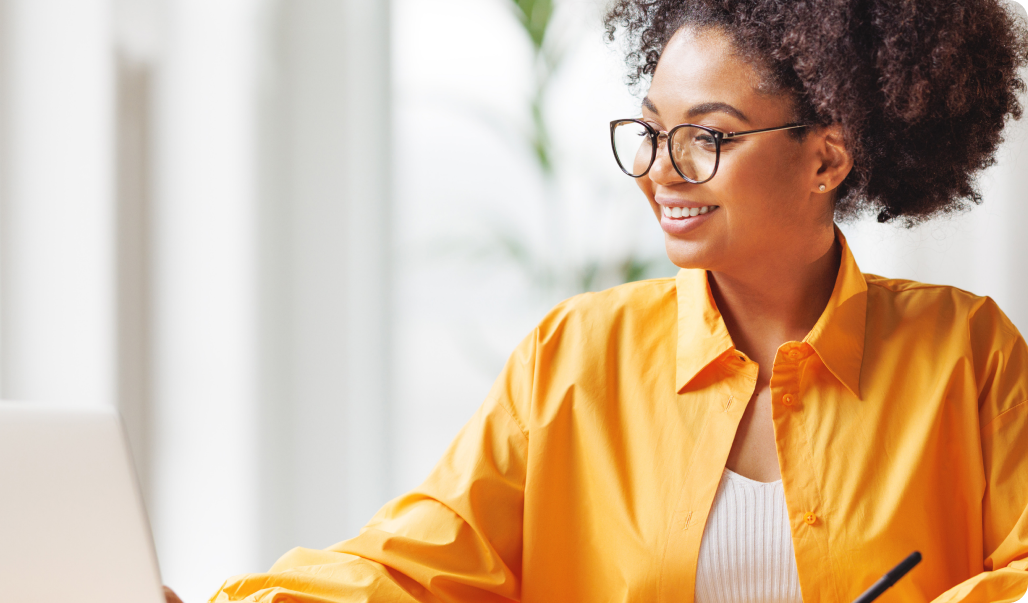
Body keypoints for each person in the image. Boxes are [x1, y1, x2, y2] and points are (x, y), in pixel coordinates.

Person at [168, 0, 1028, 601]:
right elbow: (413, 563)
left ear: (826, 159)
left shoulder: (969, 353)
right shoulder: (575, 356)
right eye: (652, 131)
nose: (661, 170)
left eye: (706, 138)